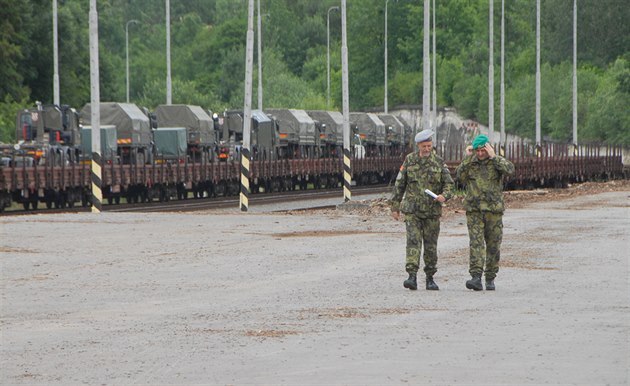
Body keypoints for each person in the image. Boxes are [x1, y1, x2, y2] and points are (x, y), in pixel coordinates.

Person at [390, 129, 454, 291]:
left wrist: (444, 196)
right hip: (413, 211)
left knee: (431, 246)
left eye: (429, 146)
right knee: (413, 242)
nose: (427, 149)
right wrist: (395, 206)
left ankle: (430, 278)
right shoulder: (409, 161)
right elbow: (400, 184)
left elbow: (449, 184)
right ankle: (411, 276)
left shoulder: (438, 162)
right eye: (424, 146)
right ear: (418, 145)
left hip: (432, 212)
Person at [456, 134, 515, 291]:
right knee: (476, 243)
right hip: (474, 210)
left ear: (488, 149)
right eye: (478, 151)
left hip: (493, 211)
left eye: (483, 150)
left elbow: (510, 170)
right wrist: (467, 158)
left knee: (493, 244)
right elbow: (459, 176)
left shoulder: (496, 162)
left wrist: (494, 156)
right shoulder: (471, 163)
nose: (480, 154)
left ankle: (490, 277)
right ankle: (476, 277)